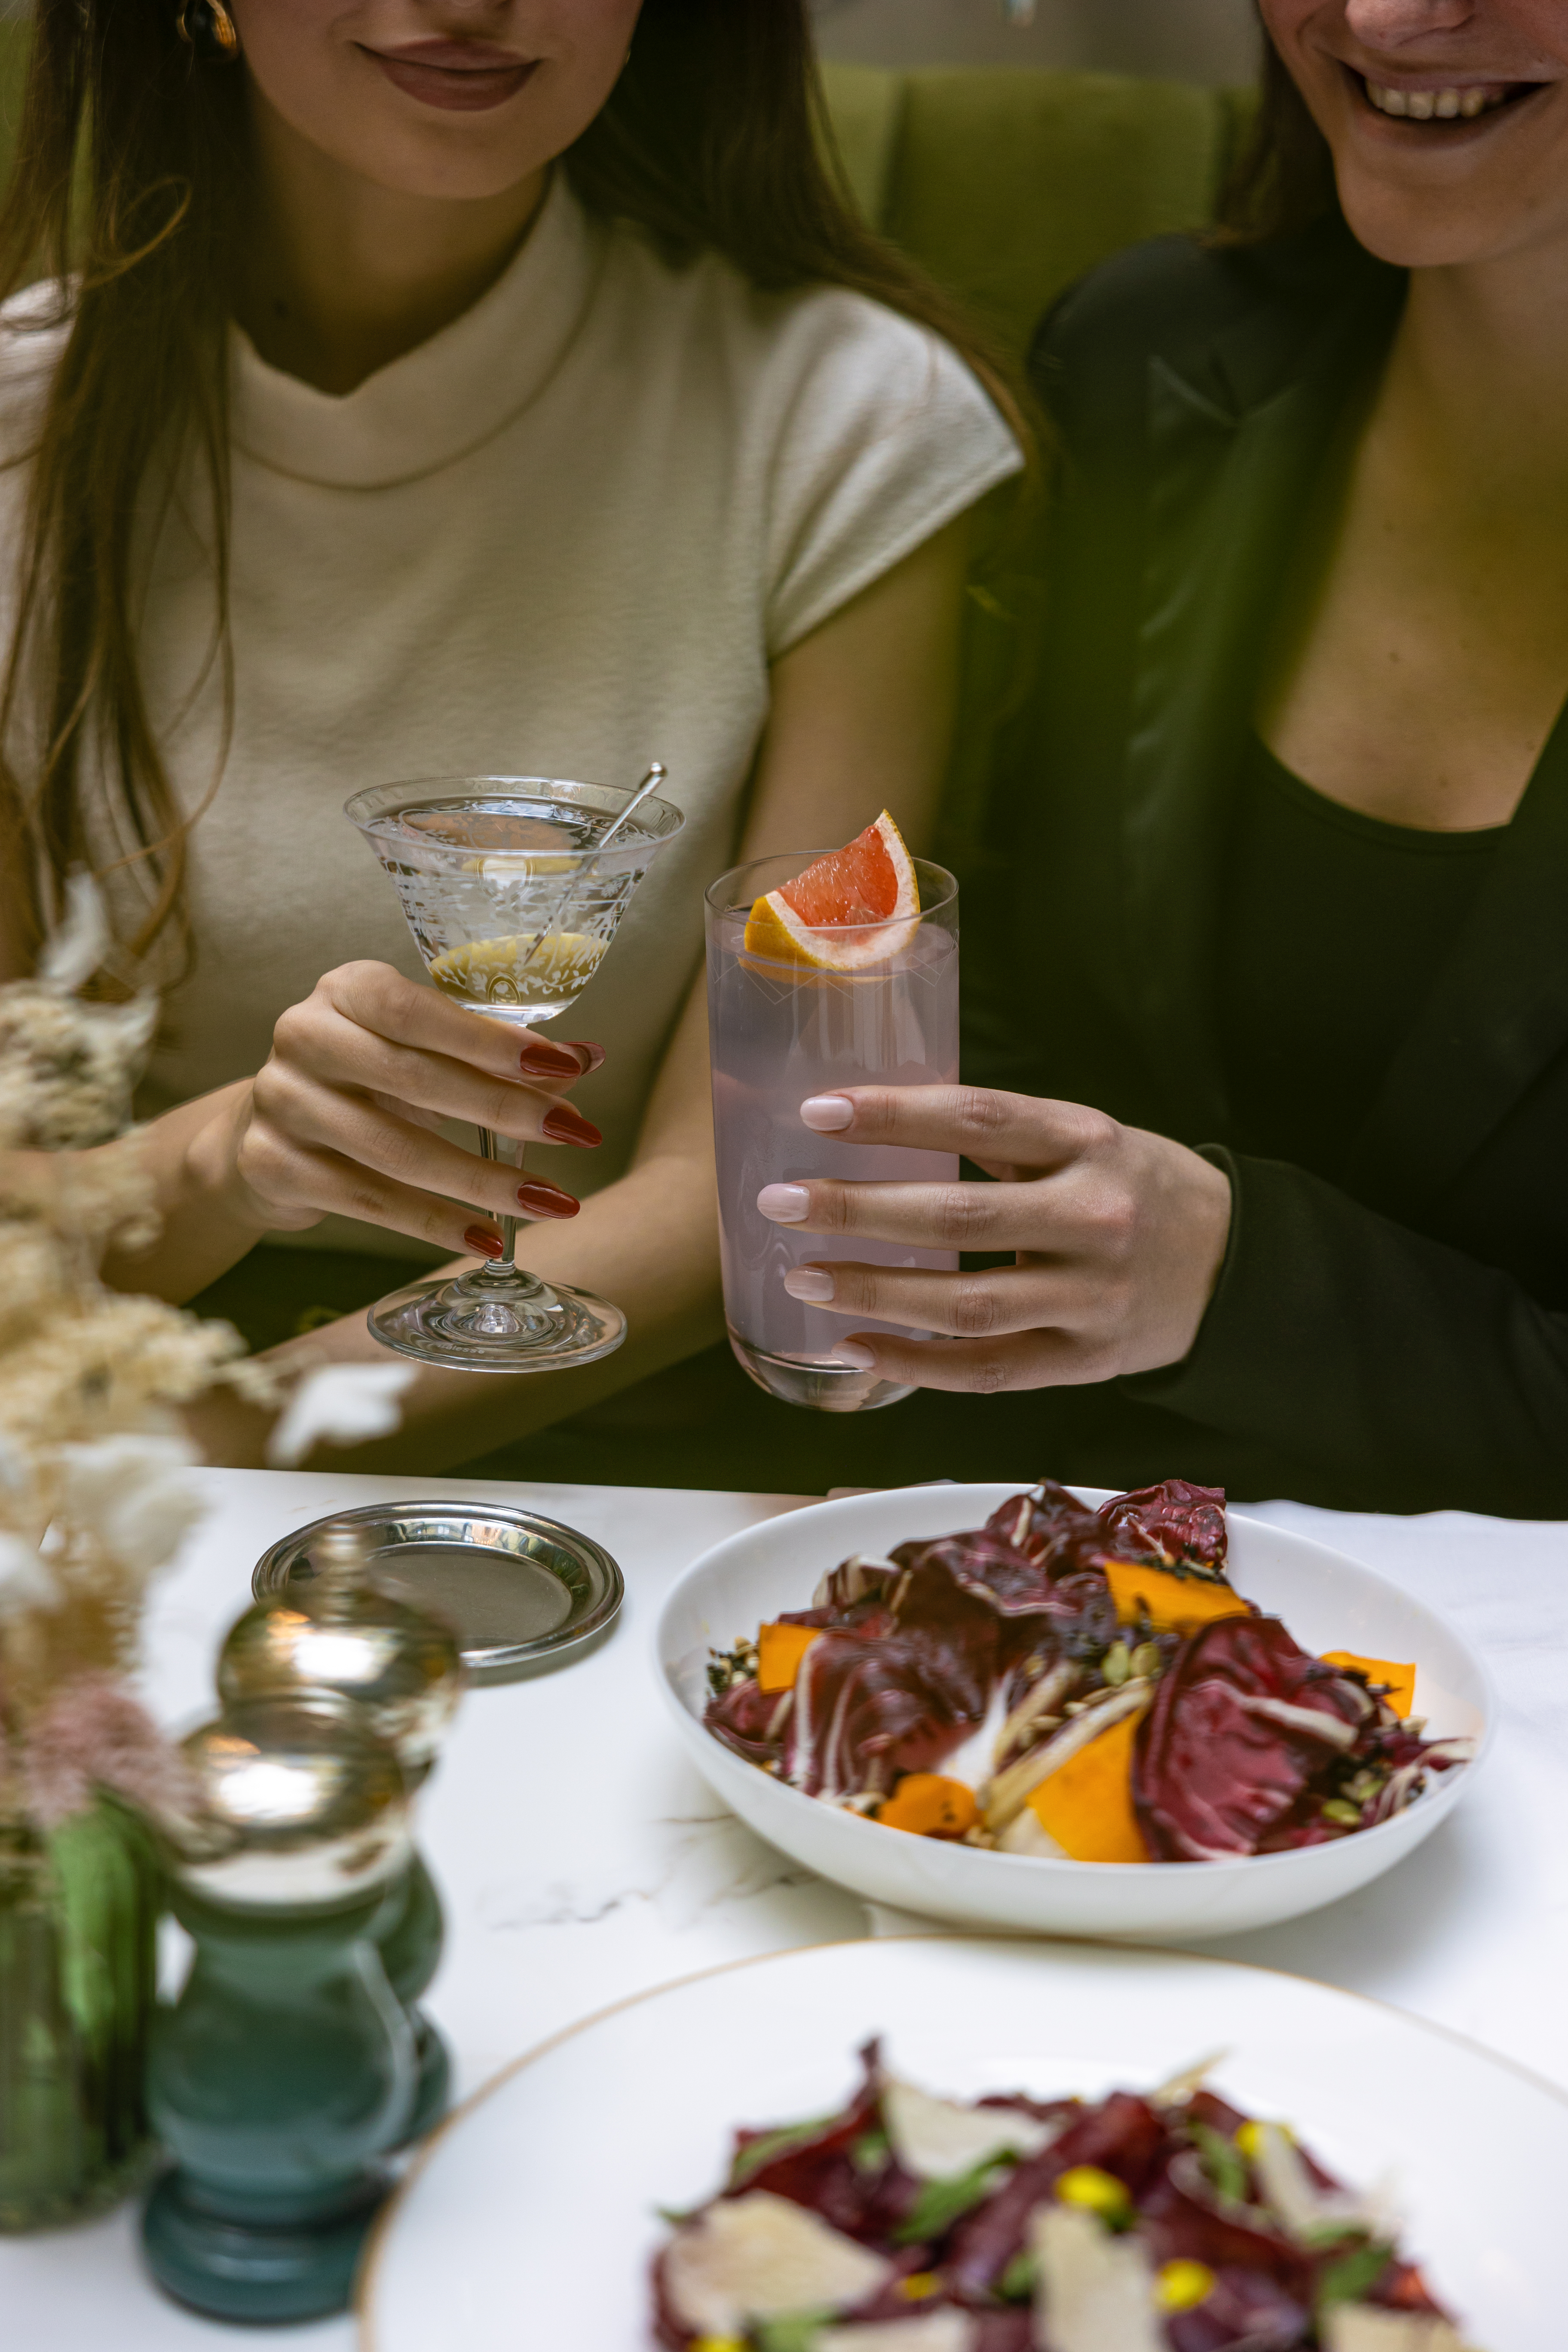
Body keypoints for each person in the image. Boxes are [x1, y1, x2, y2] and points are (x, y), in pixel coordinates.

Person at [0, 0, 1025, 1467]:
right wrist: (230, 1160)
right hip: (99, 1409)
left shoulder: (851, 421)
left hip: (620, 1449)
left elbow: (763, 1170)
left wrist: (242, 1447)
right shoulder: (21, 432)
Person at [759, 0, 1568, 1517]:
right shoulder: (1144, 360)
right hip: (1047, 1607)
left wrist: (1242, 1285)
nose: (1390, 16)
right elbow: (1001, 1015)